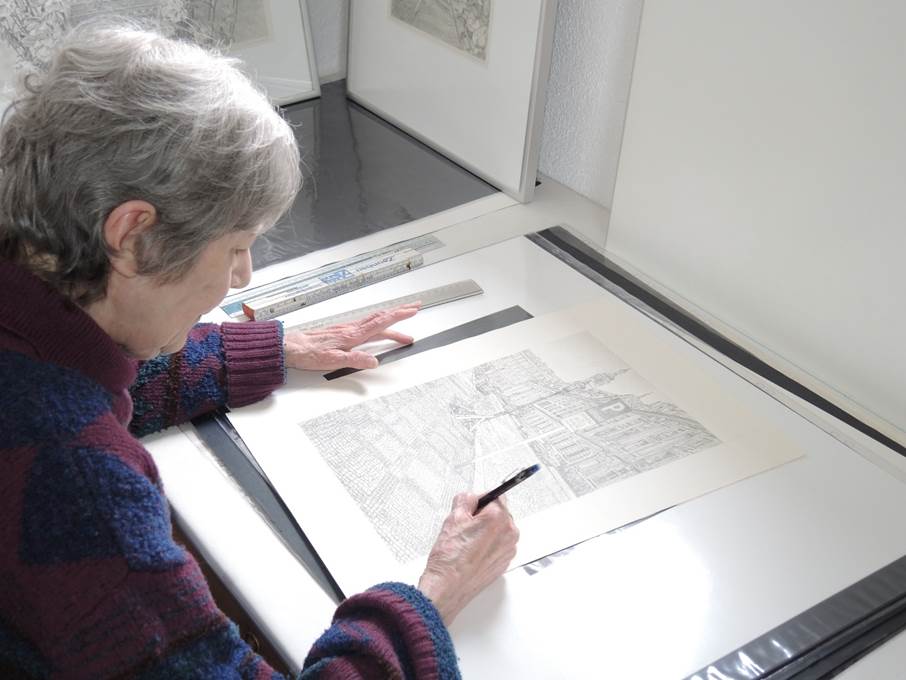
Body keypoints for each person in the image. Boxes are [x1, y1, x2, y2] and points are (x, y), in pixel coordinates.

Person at [0, 24, 519, 679]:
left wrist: (272, 349)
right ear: (132, 236)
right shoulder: (79, 483)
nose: (242, 277)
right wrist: (433, 598)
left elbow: (80, 372)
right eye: (235, 249)